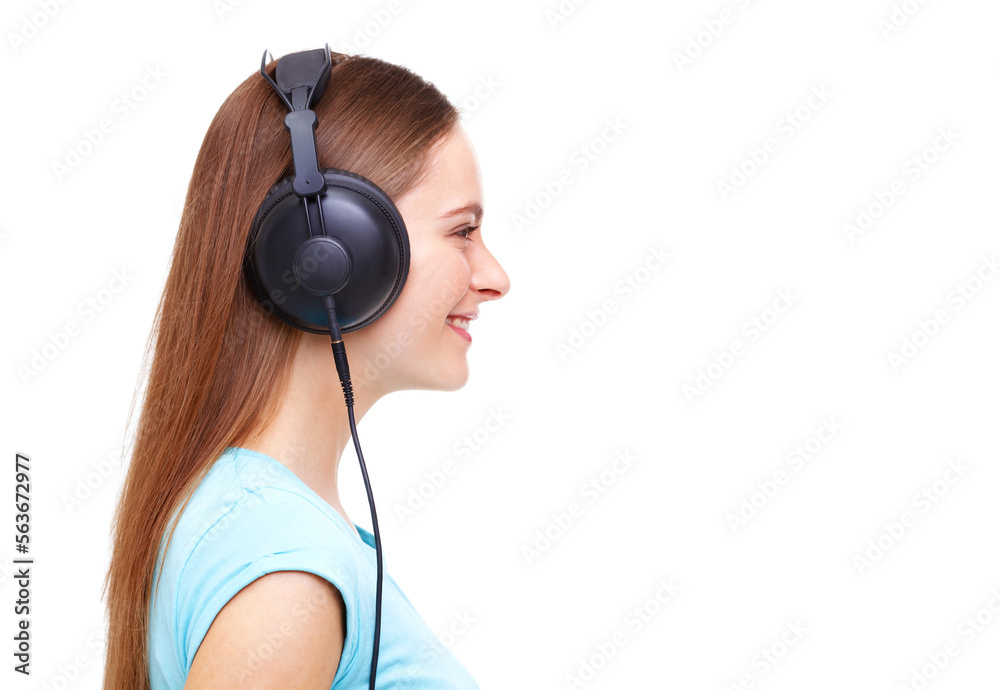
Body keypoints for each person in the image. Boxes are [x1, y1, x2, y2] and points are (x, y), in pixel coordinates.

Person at [102, 48, 510, 690]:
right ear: (335, 250)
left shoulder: (264, 525)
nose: (495, 279)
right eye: (462, 232)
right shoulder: (286, 573)